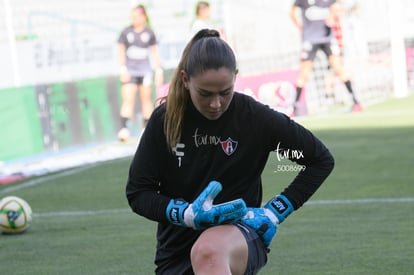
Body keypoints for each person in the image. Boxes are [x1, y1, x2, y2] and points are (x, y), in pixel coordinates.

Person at [126, 29, 335, 274]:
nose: (216, 104)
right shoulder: (165, 119)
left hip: (240, 238)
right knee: (204, 253)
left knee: (209, 250)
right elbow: (138, 192)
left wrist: (274, 212)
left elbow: (319, 159)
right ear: (185, 79)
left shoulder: (255, 118)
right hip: (175, 253)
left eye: (225, 92)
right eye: (205, 94)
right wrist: (186, 214)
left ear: (236, 77)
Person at [290, 0, 362, 116]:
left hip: (327, 39)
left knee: (339, 69)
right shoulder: (303, 1)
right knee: (304, 74)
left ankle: (356, 101)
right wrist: (299, 26)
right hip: (310, 40)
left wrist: (333, 15)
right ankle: (295, 108)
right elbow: (292, 11)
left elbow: (339, 6)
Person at [117, 4, 163, 142]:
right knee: (128, 99)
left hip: (145, 71)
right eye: (133, 16)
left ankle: (146, 128)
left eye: (137, 16)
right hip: (130, 71)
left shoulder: (149, 33)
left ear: (144, 17)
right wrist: (123, 69)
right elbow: (120, 51)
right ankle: (124, 128)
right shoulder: (126, 32)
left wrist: (158, 70)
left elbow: (154, 52)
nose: (134, 19)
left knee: (146, 99)